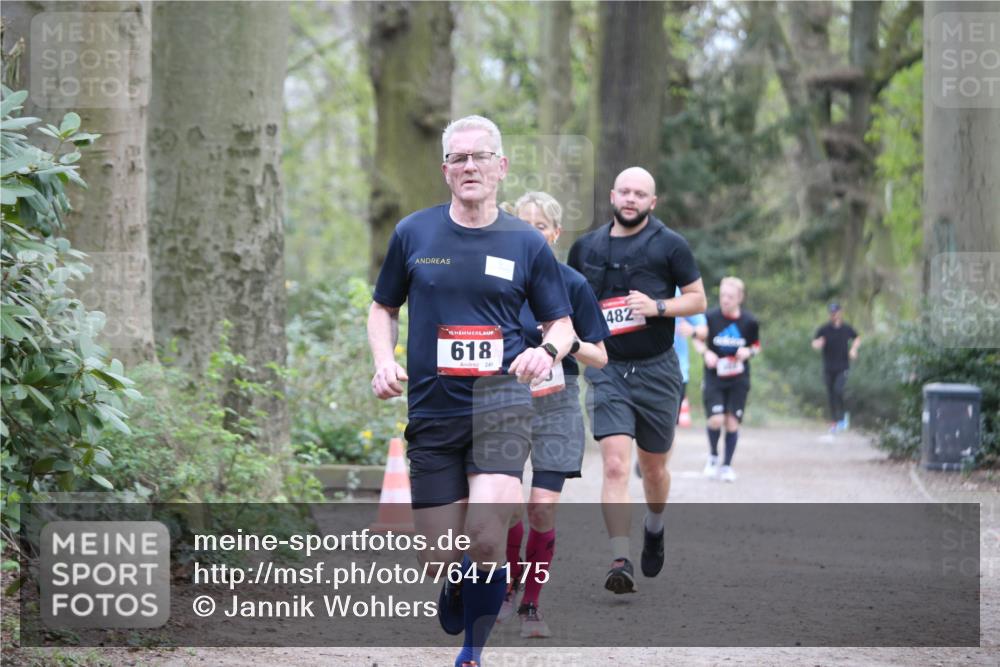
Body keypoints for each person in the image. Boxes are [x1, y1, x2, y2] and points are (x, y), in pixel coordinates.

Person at [368, 115, 575, 667]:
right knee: (437, 555)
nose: (470, 166)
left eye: (480, 156)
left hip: (501, 406)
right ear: (445, 171)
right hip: (434, 410)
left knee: (486, 535)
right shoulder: (414, 232)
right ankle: (456, 575)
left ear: (501, 167)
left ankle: (472, 654)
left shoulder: (526, 242)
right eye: (458, 158)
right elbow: (383, 306)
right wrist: (383, 360)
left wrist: (546, 351)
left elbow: (562, 323)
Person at [567, 167, 706, 594]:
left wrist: (658, 307)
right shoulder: (585, 247)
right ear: (612, 195)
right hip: (607, 369)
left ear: (652, 201)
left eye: (640, 193)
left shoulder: (670, 245)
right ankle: (620, 557)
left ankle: (656, 525)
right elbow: (568, 303)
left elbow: (699, 298)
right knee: (613, 464)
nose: (631, 199)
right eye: (624, 191)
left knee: (654, 469)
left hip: (658, 368)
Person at [498, 192, 610, 638]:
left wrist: (565, 341)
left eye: (540, 225)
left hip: (556, 403)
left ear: (556, 233)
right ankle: (509, 583)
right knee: (506, 506)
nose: (531, 231)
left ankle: (532, 605)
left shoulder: (572, 284)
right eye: (522, 224)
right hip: (504, 398)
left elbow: (601, 356)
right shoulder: (498, 281)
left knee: (541, 508)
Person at [634, 287, 708, 478]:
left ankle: (657, 470)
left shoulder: (678, 291)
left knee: (666, 427)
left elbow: (704, 330)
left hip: (675, 372)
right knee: (637, 422)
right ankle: (645, 458)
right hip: (636, 368)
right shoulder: (632, 282)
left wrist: (692, 331)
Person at [692, 276, 760, 482]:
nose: (725, 300)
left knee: (731, 423)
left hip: (738, 378)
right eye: (722, 296)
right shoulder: (710, 318)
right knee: (715, 419)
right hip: (714, 377)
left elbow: (756, 346)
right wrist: (706, 353)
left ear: (740, 297)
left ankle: (727, 466)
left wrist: (748, 352)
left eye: (730, 296)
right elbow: (697, 340)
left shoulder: (749, 322)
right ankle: (713, 456)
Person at [812, 303, 861, 433]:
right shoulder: (824, 329)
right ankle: (834, 421)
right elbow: (815, 342)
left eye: (836, 312)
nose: (834, 315)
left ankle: (843, 417)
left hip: (842, 366)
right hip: (828, 367)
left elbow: (857, 338)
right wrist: (818, 343)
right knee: (830, 394)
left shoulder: (846, 329)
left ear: (840, 312)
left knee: (838, 390)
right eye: (831, 312)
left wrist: (854, 349)